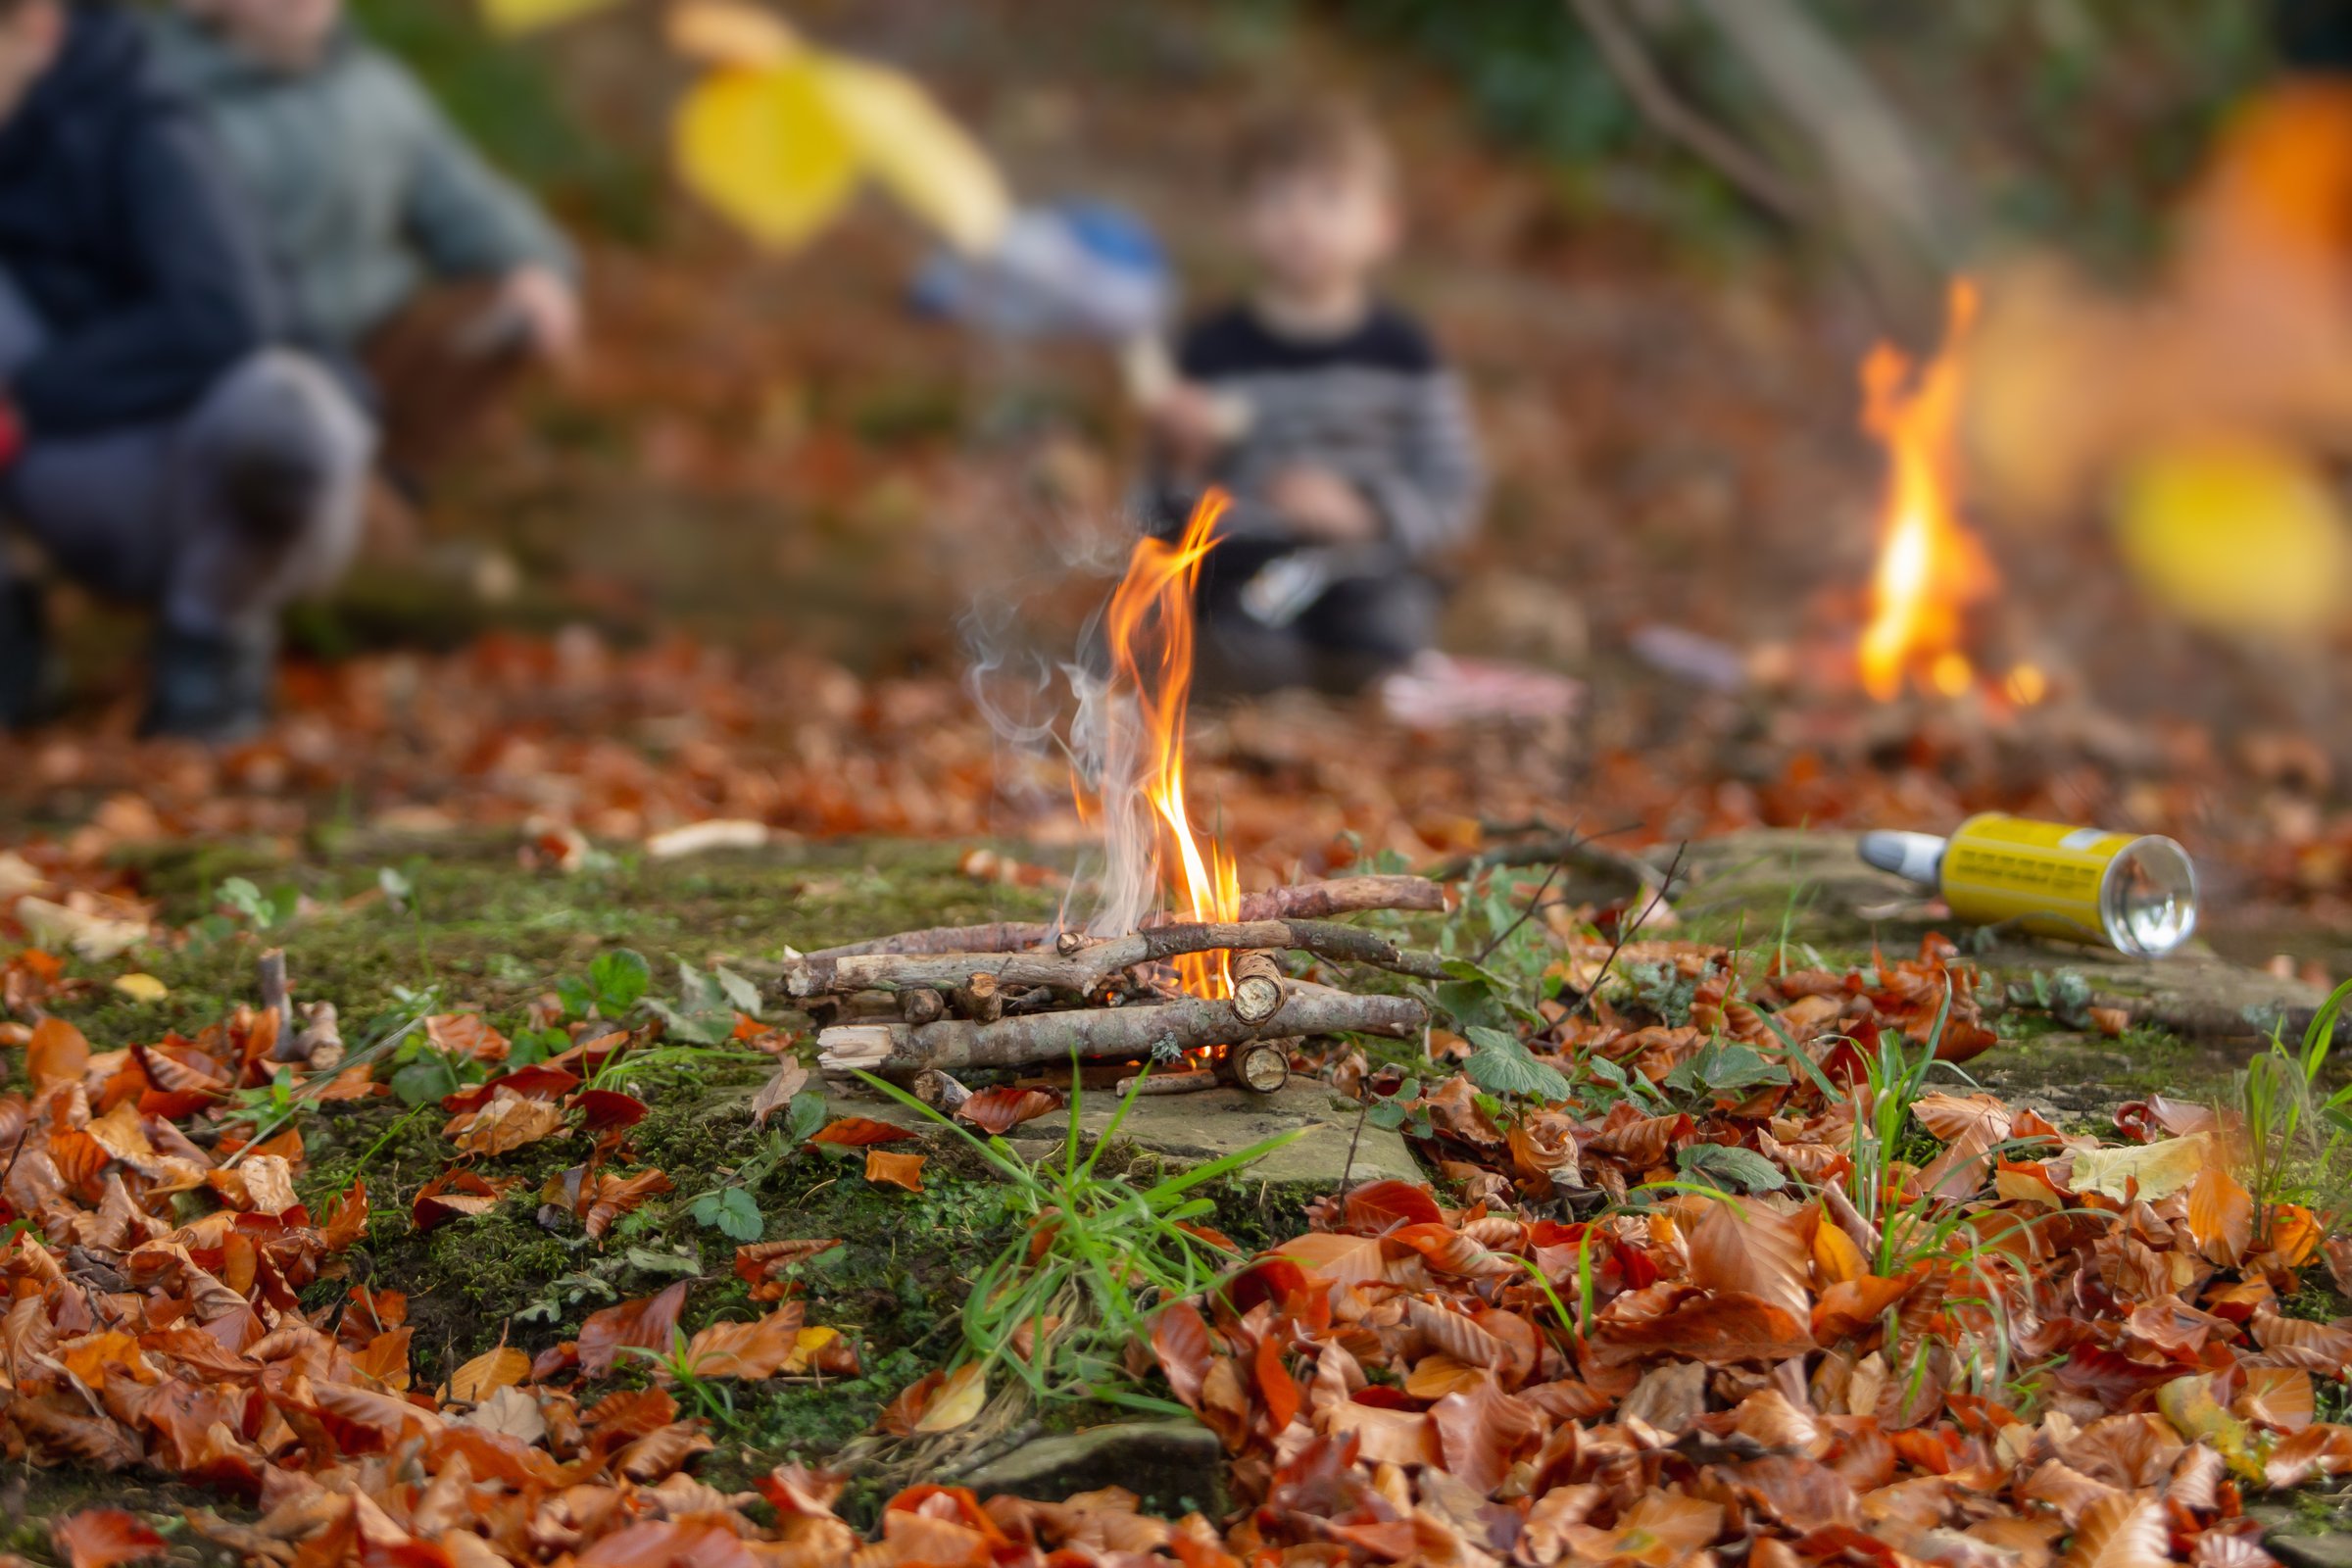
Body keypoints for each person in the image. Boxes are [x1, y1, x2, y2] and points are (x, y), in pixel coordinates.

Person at [0, 0, 372, 741]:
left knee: (282, 411)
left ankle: (213, 651)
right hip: (59, 471)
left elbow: (225, 321)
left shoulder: (148, 128)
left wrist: (27, 400)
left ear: (39, 29)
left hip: (199, 468)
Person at [148, 0, 582, 482]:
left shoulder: (378, 89)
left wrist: (532, 262)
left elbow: (470, 203)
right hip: (251, 372)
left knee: (501, 310)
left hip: (380, 344)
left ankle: (400, 483)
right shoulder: (166, 108)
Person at [1142, 99, 1483, 695]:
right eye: (1276, 197)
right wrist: (1182, 461)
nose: (1301, 219)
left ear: (1383, 226)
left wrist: (1367, 511)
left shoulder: (1403, 353)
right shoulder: (1209, 350)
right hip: (1244, 565)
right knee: (1235, 647)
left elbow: (1452, 483)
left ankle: (1353, 687)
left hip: (1365, 566)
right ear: (1238, 221)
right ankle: (1268, 689)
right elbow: (1154, 506)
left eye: (1329, 197)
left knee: (1386, 636)